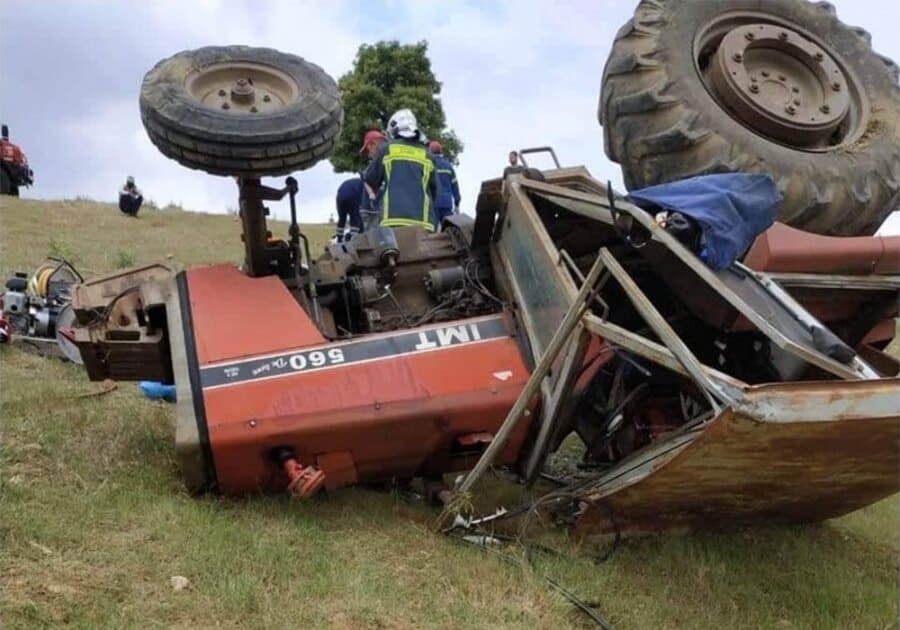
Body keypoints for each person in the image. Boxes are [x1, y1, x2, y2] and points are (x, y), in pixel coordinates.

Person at [363, 109, 440, 232]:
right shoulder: (428, 155)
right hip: (424, 223)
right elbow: (435, 191)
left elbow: (370, 179)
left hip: (392, 221)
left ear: (393, 130)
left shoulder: (387, 150)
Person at [428, 141, 461, 223]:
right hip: (447, 203)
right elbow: (455, 185)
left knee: (433, 232)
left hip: (433, 203)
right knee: (447, 228)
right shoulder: (448, 166)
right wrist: (457, 204)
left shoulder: (429, 164)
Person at [333, 176, 366, 243]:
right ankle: (353, 240)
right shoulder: (365, 185)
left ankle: (339, 239)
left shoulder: (355, 181)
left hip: (340, 197)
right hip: (353, 195)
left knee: (342, 218)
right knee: (355, 217)